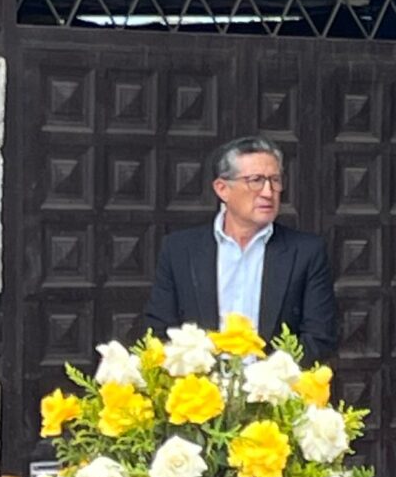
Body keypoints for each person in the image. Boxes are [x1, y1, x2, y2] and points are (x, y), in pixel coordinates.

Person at [144, 138, 339, 365]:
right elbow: (160, 330)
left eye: (275, 180)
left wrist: (270, 382)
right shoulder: (180, 250)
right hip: (200, 393)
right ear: (222, 189)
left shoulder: (306, 252)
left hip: (274, 392)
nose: (268, 192)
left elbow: (320, 337)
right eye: (255, 180)